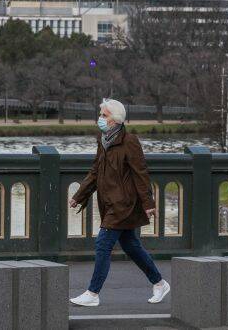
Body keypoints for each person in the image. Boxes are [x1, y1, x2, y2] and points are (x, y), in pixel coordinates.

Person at [68, 98, 170, 307]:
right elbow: (95, 171)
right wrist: (79, 196)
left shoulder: (129, 141)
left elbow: (140, 174)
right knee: (131, 246)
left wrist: (148, 204)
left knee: (103, 244)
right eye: (101, 115)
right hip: (108, 203)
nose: (100, 119)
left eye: (104, 116)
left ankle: (93, 293)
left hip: (124, 204)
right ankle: (159, 283)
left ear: (115, 120)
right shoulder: (103, 140)